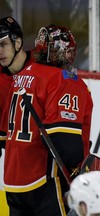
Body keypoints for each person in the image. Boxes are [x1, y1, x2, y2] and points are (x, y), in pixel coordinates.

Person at [0, 24, 93, 215]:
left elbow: (4, 136)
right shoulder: (65, 78)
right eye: (64, 51)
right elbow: (65, 143)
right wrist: (78, 171)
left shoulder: (21, 77)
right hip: (43, 182)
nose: (68, 55)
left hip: (13, 183)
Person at [0, 16, 35, 156]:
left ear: (18, 43)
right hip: (15, 162)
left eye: (3, 44)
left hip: (42, 157)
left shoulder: (42, 68)